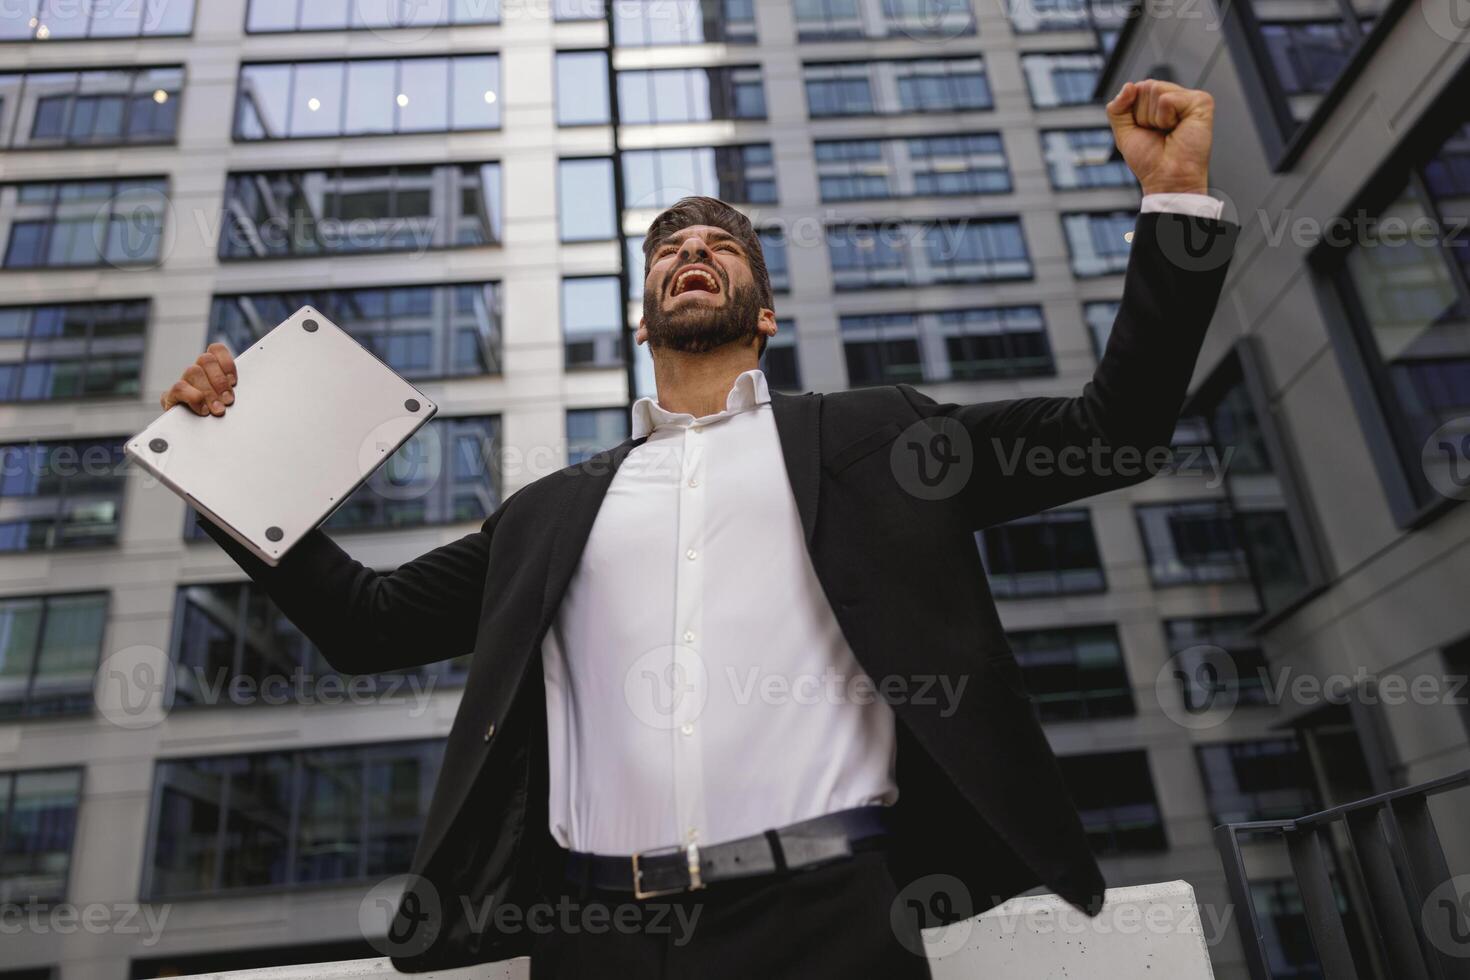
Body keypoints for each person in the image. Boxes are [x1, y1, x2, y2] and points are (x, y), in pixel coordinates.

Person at [160, 79, 1238, 978]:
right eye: (670, 246)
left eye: (720, 245)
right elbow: (368, 621)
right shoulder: (551, 510)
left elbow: (1112, 435)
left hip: (834, 917)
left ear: (761, 308)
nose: (692, 250)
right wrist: (216, 458)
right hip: (597, 939)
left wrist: (1176, 198)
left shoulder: (875, 439)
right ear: (641, 315)